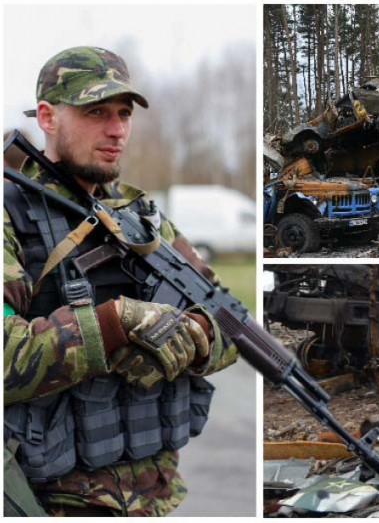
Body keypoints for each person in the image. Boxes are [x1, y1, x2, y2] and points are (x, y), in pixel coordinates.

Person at [3, 46, 238, 516]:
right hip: (49, 501)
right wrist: (116, 322)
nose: (117, 130)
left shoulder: (143, 220)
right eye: (97, 113)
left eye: (124, 113)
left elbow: (231, 323)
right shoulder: (11, 218)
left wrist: (189, 334)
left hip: (154, 496)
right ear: (47, 118)